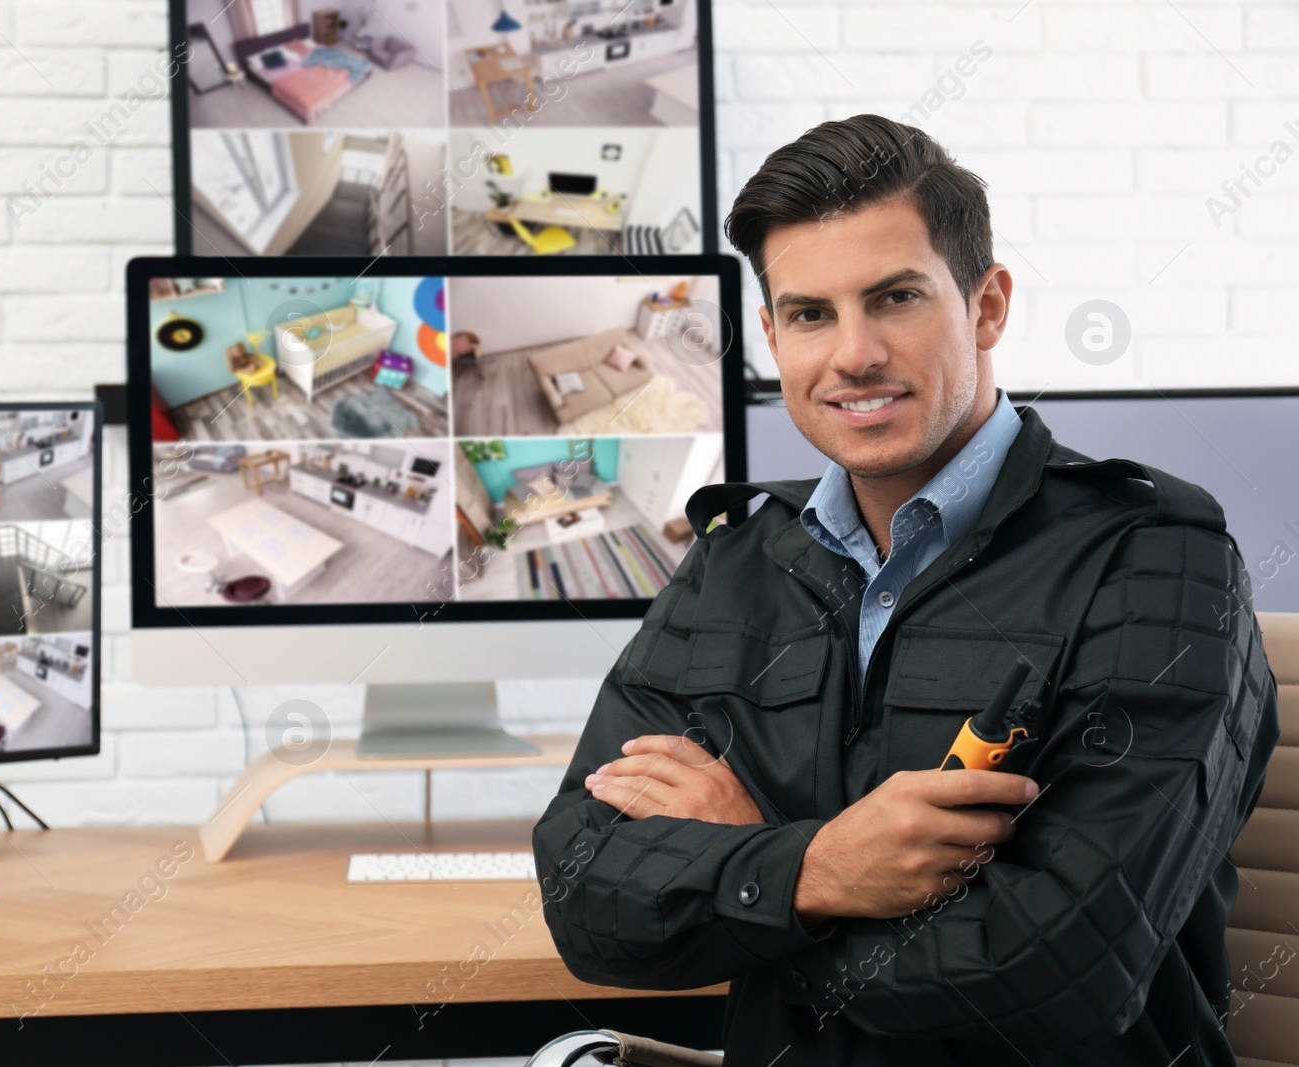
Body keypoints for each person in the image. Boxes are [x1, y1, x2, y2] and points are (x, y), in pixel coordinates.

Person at [533, 114, 1280, 1065]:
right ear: (770, 335)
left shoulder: (1158, 561)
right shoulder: (739, 560)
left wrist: (750, 869)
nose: (853, 355)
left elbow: (1058, 974)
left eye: (894, 298)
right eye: (810, 314)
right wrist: (816, 866)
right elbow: (585, 896)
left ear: (987, 305)